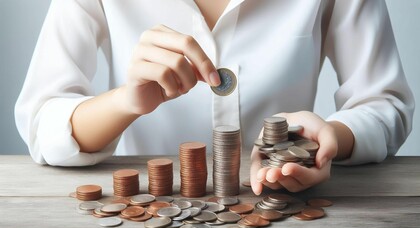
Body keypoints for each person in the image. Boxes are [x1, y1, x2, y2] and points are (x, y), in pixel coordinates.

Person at [15, 0, 414, 195]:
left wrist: (331, 138)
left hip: (282, 207)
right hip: (156, 207)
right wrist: (124, 102)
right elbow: (41, 121)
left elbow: (386, 103)